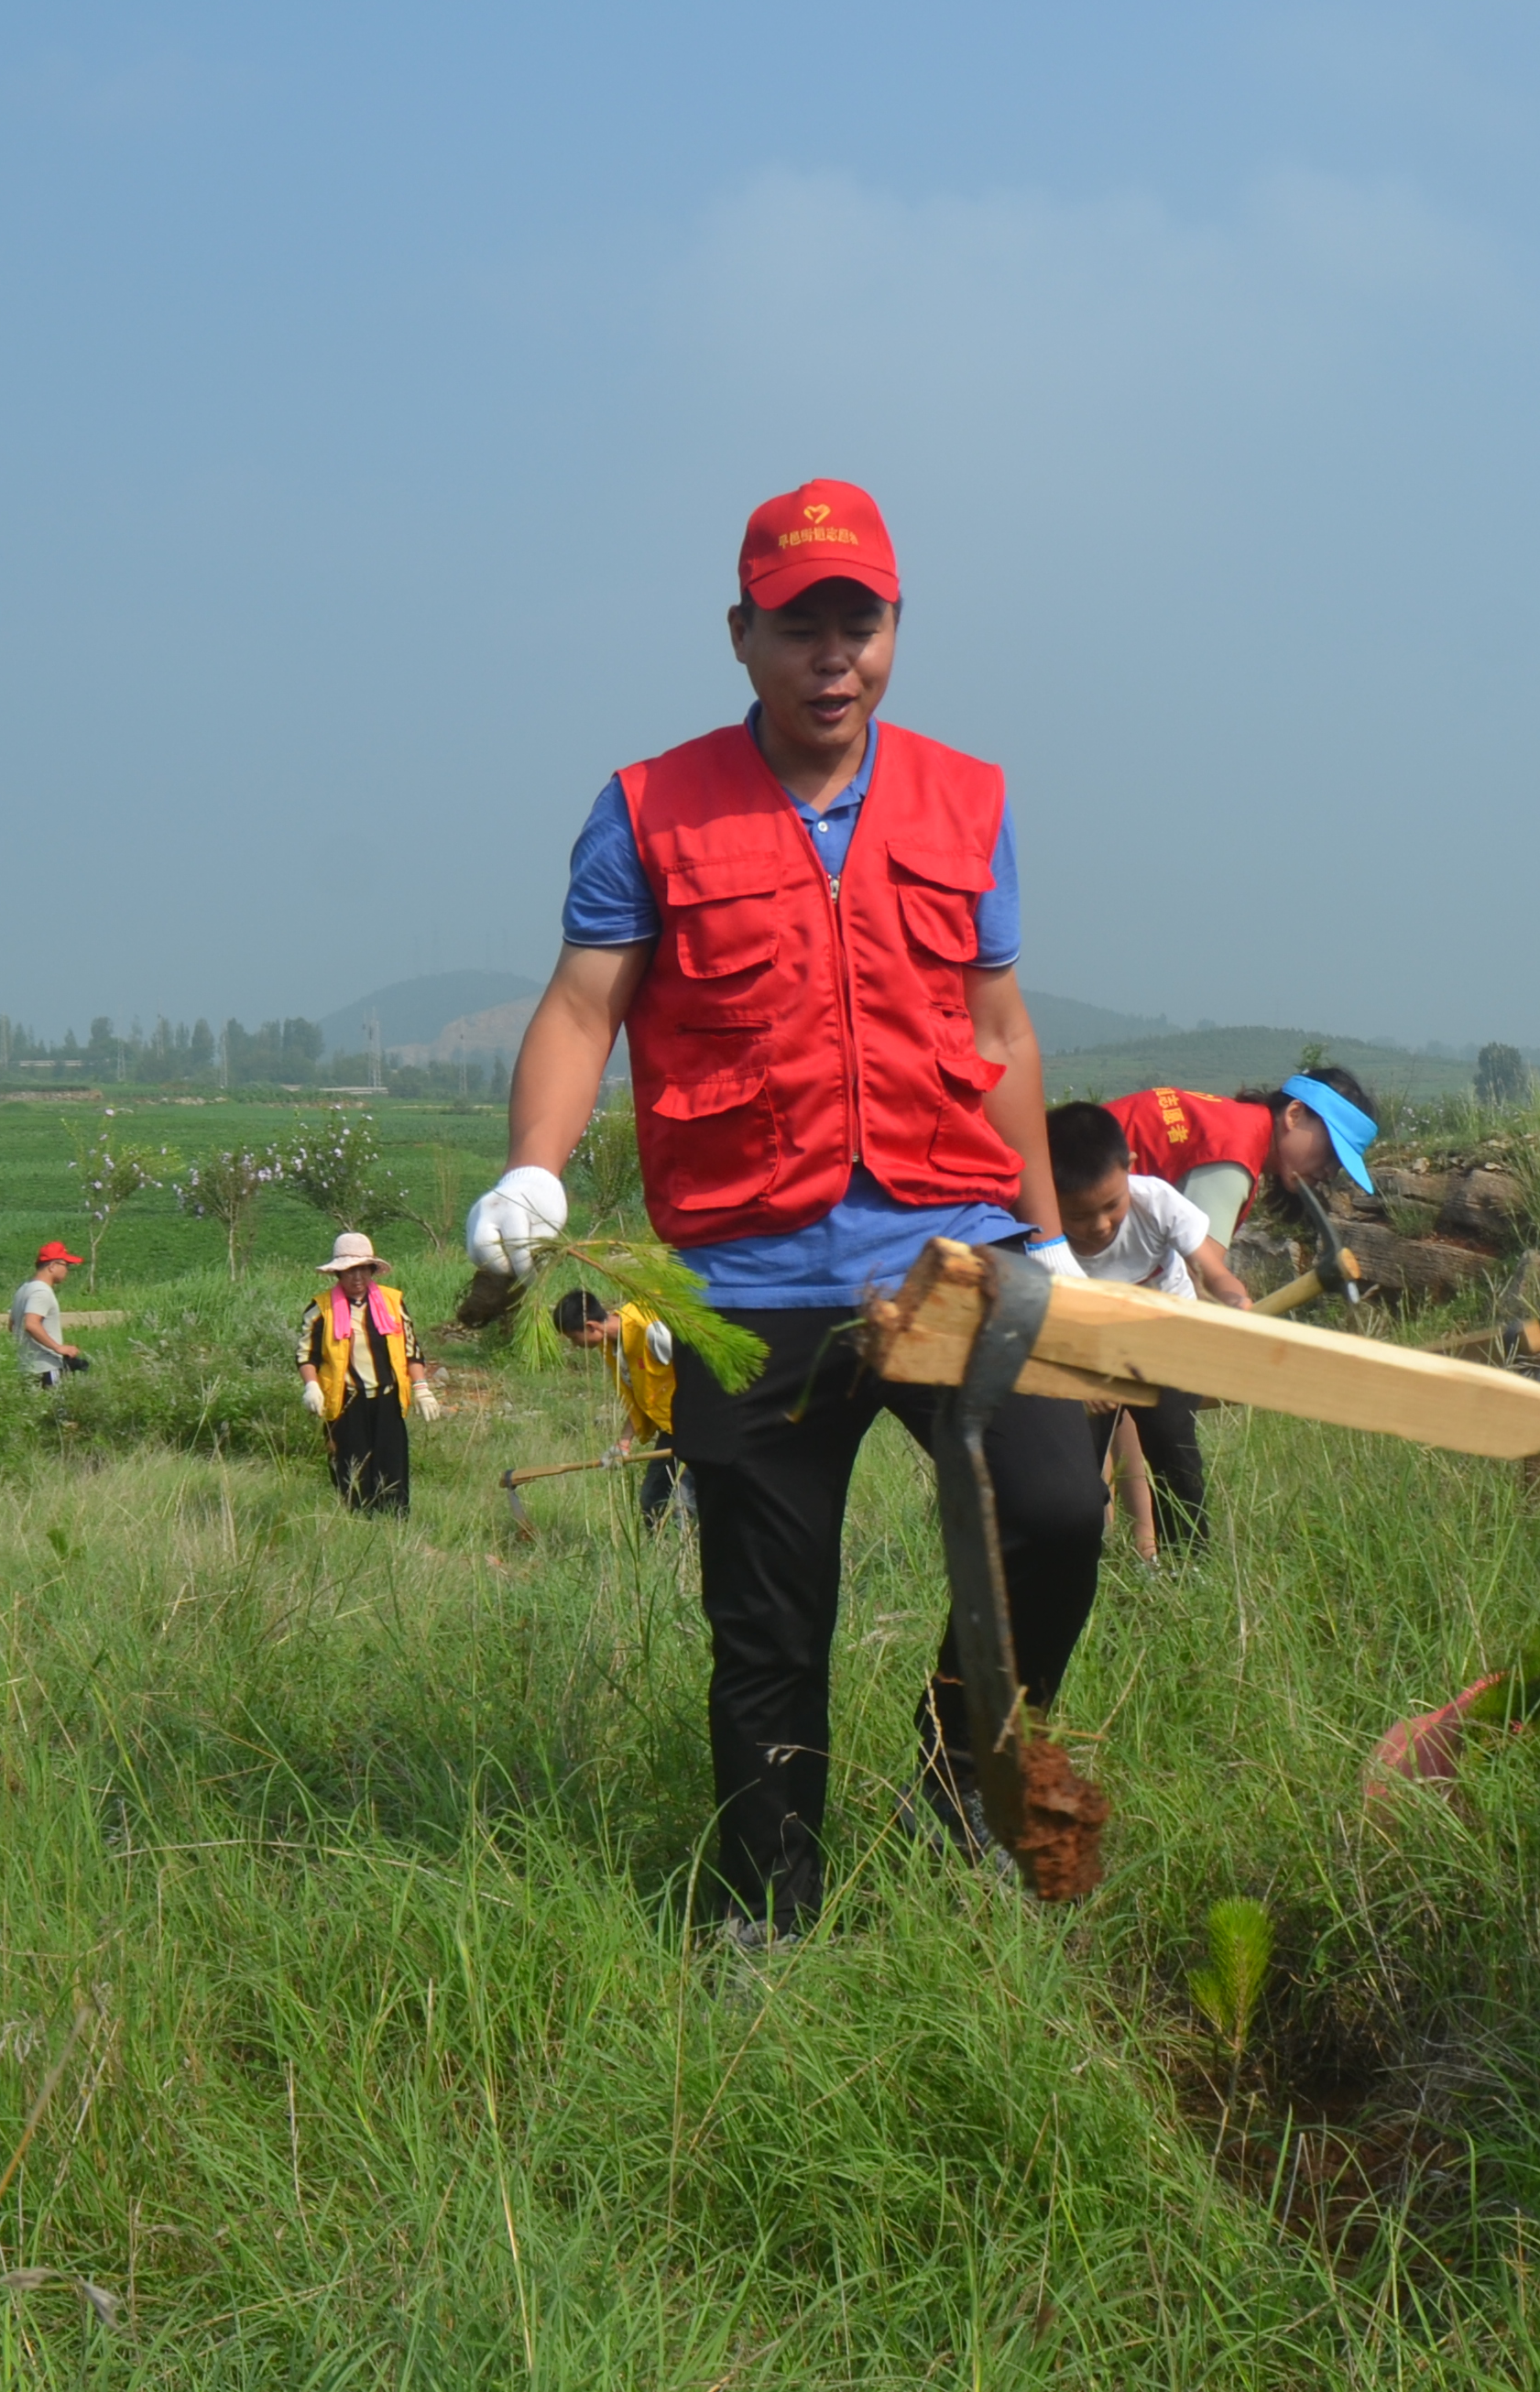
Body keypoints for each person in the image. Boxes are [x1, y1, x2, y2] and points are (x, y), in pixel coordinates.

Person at [461, 475, 1102, 1942]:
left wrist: (1050, 1237)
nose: (836, 658)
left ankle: (952, 1792)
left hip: (959, 1254)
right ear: (741, 636)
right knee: (768, 1618)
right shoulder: (647, 811)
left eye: (860, 625)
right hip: (748, 1282)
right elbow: (580, 1008)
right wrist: (532, 1166)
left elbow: (998, 1032)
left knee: (1058, 1516)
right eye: (801, 626)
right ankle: (768, 1921)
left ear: (894, 630)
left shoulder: (966, 798)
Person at [1046, 1099, 1251, 1551]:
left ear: (1130, 1169)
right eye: (1078, 1216)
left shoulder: (1157, 1202)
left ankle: (1188, 1562)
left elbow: (1211, 1270)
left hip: (1164, 1346)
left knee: (1175, 1456)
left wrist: (1234, 1299)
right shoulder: (1042, 1235)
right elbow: (1049, 1317)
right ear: (1047, 1195)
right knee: (1078, 1469)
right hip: (1090, 1355)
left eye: (1111, 1206)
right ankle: (1084, 1558)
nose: (1099, 1225)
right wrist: (1081, 1375)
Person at [1102, 1065, 1380, 1249]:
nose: (1330, 1170)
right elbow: (1199, 1277)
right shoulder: (1235, 1153)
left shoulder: (1239, 1124)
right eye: (1330, 1151)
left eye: (1340, 1164)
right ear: (1294, 1115)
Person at [298, 1230, 422, 1513]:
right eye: (349, 1272)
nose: (357, 1279)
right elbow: (306, 1355)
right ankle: (358, 1525)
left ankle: (394, 1525)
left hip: (387, 1400)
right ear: (338, 1275)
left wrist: (422, 1389)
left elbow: (411, 1350)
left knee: (392, 1466)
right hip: (346, 1402)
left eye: (363, 1270)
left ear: (372, 1271)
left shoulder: (393, 1303)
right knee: (351, 1467)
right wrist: (311, 1386)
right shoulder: (320, 1309)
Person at [549, 1287, 685, 1529]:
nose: (573, 1345)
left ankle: (694, 1559)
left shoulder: (650, 1327)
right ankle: (659, 1560)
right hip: (672, 1428)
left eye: (573, 1337)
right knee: (652, 1501)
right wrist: (623, 1443)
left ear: (591, 1327)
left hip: (700, 1423)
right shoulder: (612, 1347)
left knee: (685, 1507)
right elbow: (642, 1395)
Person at [13, 1240, 91, 1391]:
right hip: (46, 1367)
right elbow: (31, 1324)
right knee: (56, 1411)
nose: (67, 1270)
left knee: (33, 1411)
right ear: (52, 1266)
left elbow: (13, 1325)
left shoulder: (23, 1290)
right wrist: (58, 1348)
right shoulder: (42, 1292)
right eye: (65, 1265)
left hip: (27, 1366)